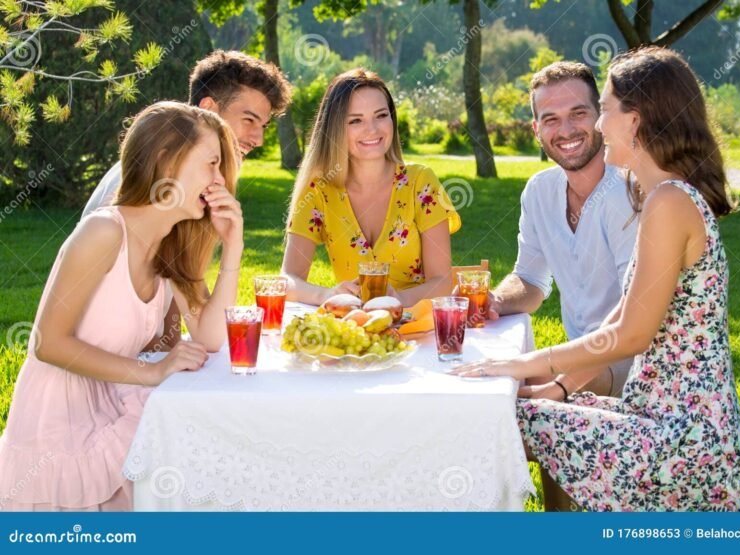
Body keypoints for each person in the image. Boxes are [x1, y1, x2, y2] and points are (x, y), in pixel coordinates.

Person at [452, 46, 740, 511]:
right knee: (517, 413)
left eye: (603, 110)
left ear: (637, 120)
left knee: (497, 420)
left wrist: (525, 365)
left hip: (680, 438)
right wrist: (553, 381)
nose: (595, 126)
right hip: (669, 419)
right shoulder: (663, 196)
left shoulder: (667, 203)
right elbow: (624, 309)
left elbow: (630, 334)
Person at [0, 101, 243, 511]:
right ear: (167, 160)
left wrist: (233, 243)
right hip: (59, 426)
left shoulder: (170, 245)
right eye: (212, 164)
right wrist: (152, 372)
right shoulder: (103, 232)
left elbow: (212, 337)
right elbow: (47, 344)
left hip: (111, 405)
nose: (219, 180)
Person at [82, 50, 292, 350]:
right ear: (208, 108)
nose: (258, 139)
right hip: (106, 368)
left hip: (143, 364)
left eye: (264, 126)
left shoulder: (189, 186)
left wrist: (234, 246)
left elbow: (185, 299)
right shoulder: (150, 186)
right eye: (249, 120)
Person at [490, 61, 637, 401]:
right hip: (581, 356)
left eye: (578, 113)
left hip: (634, 359)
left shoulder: (629, 191)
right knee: (493, 383)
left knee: (507, 394)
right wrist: (494, 300)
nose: (566, 130)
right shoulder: (540, 191)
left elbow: (634, 314)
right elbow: (530, 279)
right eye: (551, 119)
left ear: (600, 117)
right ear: (536, 130)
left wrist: (557, 380)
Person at [282, 69, 461, 307]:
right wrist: (327, 295)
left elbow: (443, 281)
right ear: (335, 128)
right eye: (356, 120)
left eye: (381, 115)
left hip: (416, 328)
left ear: (392, 118)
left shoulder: (422, 182)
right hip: (356, 329)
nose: (373, 130)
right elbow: (287, 279)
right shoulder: (319, 190)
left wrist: (397, 300)